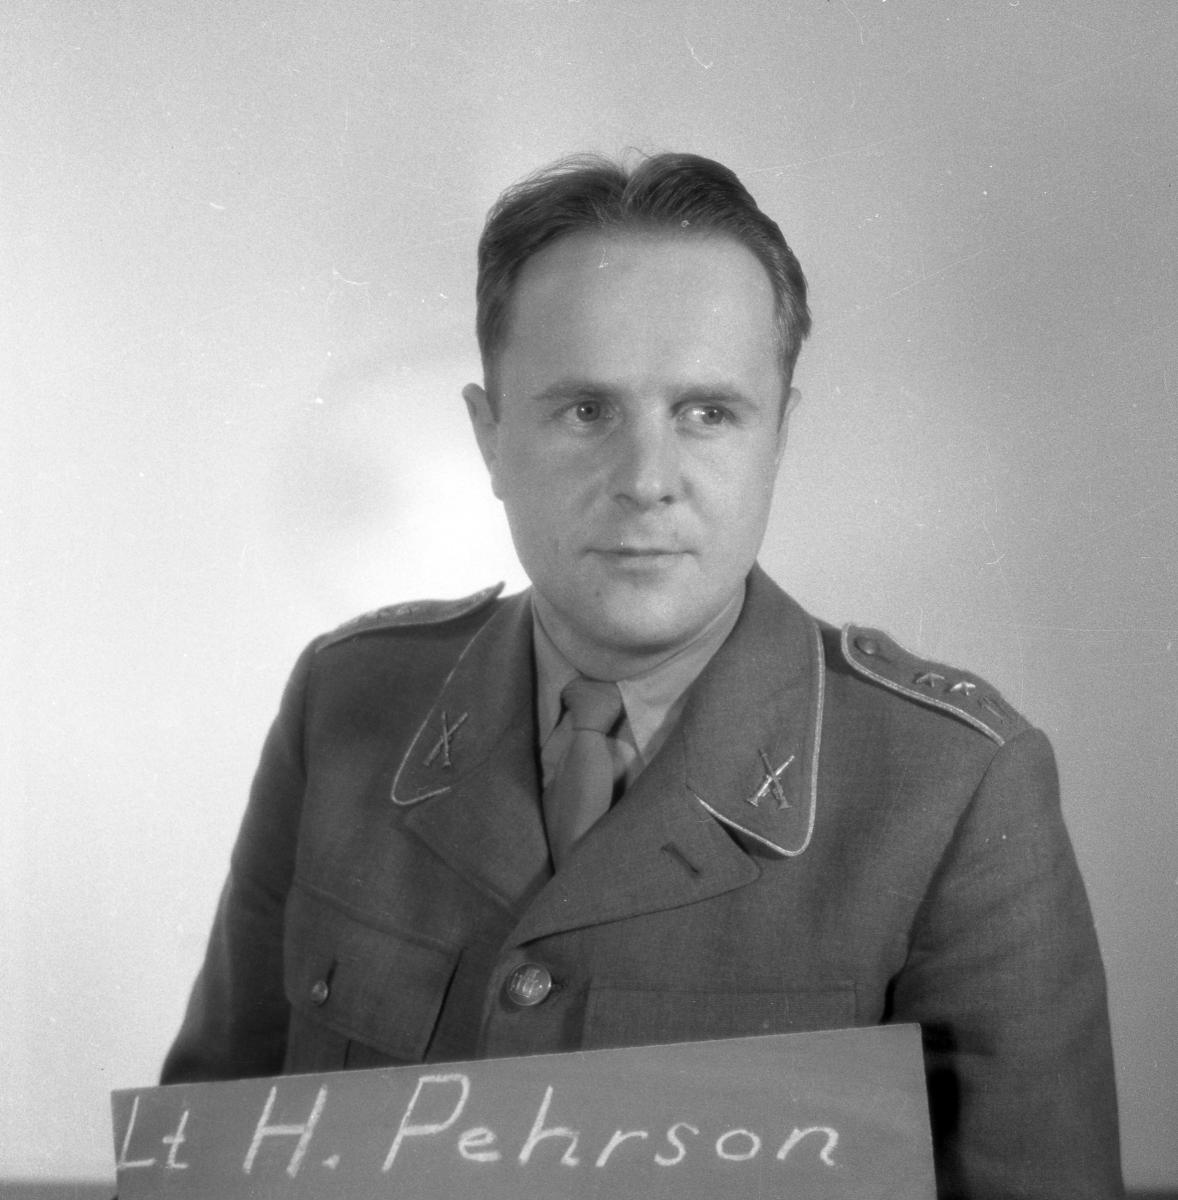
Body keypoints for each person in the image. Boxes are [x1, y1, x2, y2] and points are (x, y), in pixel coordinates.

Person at [162, 152, 1123, 1197]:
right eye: (586, 411)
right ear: (489, 439)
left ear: (779, 436)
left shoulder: (949, 788)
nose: (646, 481)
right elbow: (209, 1159)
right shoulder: (347, 703)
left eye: (707, 412)